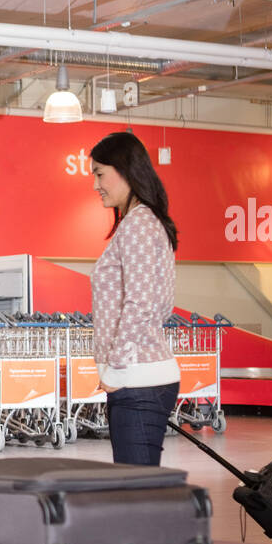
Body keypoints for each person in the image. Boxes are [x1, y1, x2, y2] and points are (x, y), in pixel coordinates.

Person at [88, 131, 181, 466]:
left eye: (100, 173)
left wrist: (115, 370)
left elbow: (141, 305)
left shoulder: (139, 224)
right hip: (140, 377)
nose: (96, 184)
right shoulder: (143, 222)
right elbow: (162, 305)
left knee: (135, 492)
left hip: (137, 379)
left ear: (125, 170)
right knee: (137, 490)